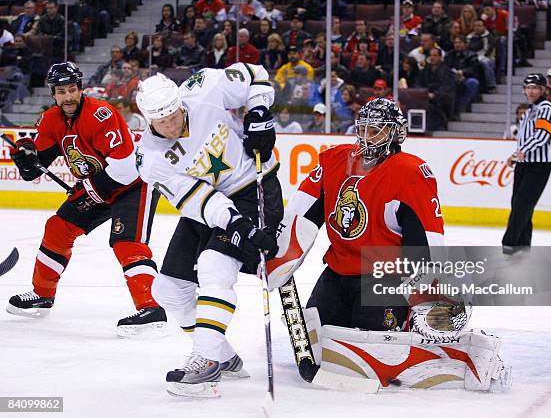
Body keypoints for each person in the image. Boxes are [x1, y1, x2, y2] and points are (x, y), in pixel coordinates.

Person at [134, 65, 282, 397]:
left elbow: (254, 74)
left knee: (215, 266)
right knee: (168, 290)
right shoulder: (150, 158)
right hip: (213, 207)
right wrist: (238, 224)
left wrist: (258, 112)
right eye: (163, 121)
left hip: (254, 187)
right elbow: (198, 200)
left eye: (175, 115)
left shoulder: (204, 87)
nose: (173, 124)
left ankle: (206, 358)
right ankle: (225, 356)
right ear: (146, 119)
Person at [6, 62, 166, 336]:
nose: (67, 96)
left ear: (80, 89)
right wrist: (26, 159)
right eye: (61, 91)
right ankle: (42, 294)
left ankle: (151, 309)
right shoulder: (50, 121)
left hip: (135, 184)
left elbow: (126, 168)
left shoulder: (101, 115)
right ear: (53, 94)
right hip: (100, 186)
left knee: (126, 242)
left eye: (72, 89)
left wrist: (88, 188)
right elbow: (36, 166)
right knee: (58, 228)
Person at [287, 97, 444, 331]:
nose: (367, 138)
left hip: (384, 277)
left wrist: (423, 296)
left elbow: (426, 242)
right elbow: (301, 212)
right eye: (363, 130)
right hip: (337, 271)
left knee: (375, 347)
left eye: (375, 131)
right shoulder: (335, 161)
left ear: (395, 133)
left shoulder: (409, 173)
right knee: (315, 345)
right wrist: (278, 252)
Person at [502, 73, 551, 255]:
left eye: (535, 87)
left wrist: (518, 154)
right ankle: (523, 244)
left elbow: (542, 136)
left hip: (539, 165)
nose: (531, 90)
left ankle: (509, 243)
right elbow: (524, 139)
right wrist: (517, 156)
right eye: (528, 87)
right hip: (524, 164)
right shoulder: (528, 112)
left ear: (543, 89)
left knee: (523, 203)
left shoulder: (547, 109)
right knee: (519, 203)